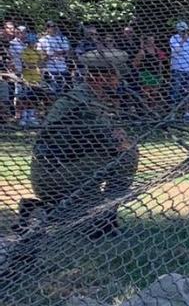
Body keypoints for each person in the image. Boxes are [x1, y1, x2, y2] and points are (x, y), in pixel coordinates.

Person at [21, 47, 137, 238]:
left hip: (60, 171)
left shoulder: (87, 96)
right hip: (56, 175)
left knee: (69, 216)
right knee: (127, 156)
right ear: (102, 78)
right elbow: (115, 141)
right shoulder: (84, 102)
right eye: (116, 77)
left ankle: (38, 208)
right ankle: (104, 220)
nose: (119, 82)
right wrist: (122, 141)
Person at [168, 21, 189, 121]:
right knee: (176, 91)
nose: (184, 33)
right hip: (178, 69)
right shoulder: (174, 39)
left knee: (188, 92)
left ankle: (187, 112)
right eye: (182, 31)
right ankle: (173, 113)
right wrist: (182, 41)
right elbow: (175, 51)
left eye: (185, 31)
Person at [36, 21, 71, 95]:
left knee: (64, 90)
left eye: (55, 26)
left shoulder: (62, 38)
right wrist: (52, 54)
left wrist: (52, 53)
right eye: (51, 27)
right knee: (52, 91)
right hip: (50, 69)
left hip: (62, 68)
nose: (54, 28)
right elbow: (41, 54)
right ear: (47, 28)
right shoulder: (43, 40)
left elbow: (67, 52)